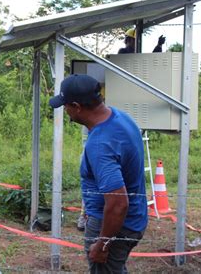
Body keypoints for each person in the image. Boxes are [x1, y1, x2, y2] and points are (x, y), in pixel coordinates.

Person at [49, 74, 148, 273]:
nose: (65, 110)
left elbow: (118, 204)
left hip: (115, 226)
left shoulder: (100, 144)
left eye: (66, 105)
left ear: (77, 106)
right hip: (132, 220)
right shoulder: (120, 117)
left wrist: (103, 244)